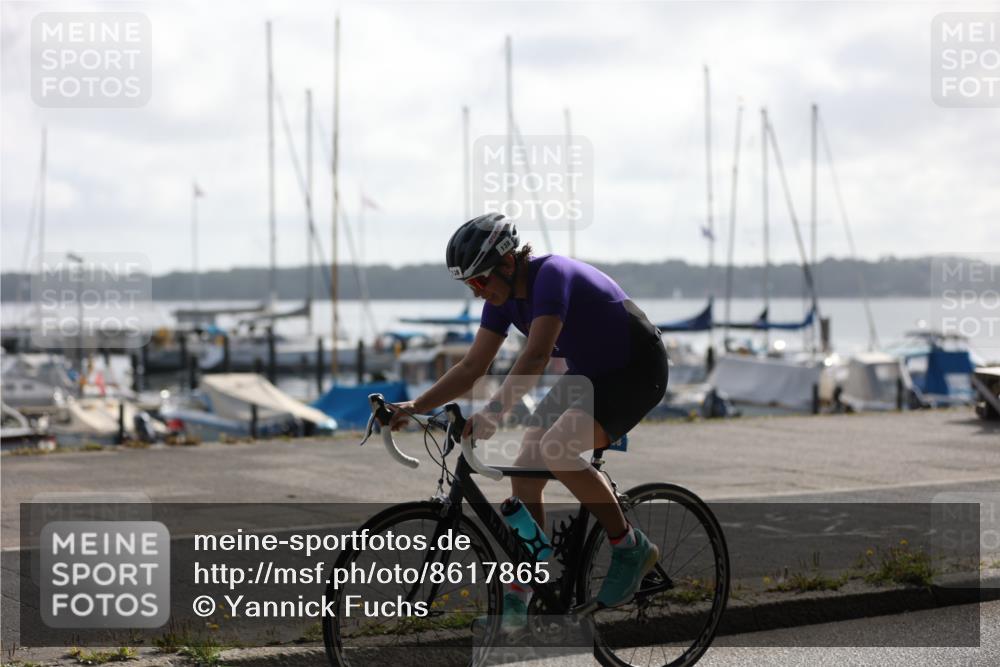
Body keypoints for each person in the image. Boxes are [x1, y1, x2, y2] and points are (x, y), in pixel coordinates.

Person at [388, 213, 669, 630]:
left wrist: (493, 412)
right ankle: (526, 585)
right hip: (589, 375)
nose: (477, 292)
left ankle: (630, 546)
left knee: (556, 449)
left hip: (636, 369)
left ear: (507, 262)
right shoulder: (501, 299)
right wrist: (414, 406)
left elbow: (536, 356)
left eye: (479, 281)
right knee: (525, 470)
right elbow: (472, 367)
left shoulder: (550, 276)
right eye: (469, 286)